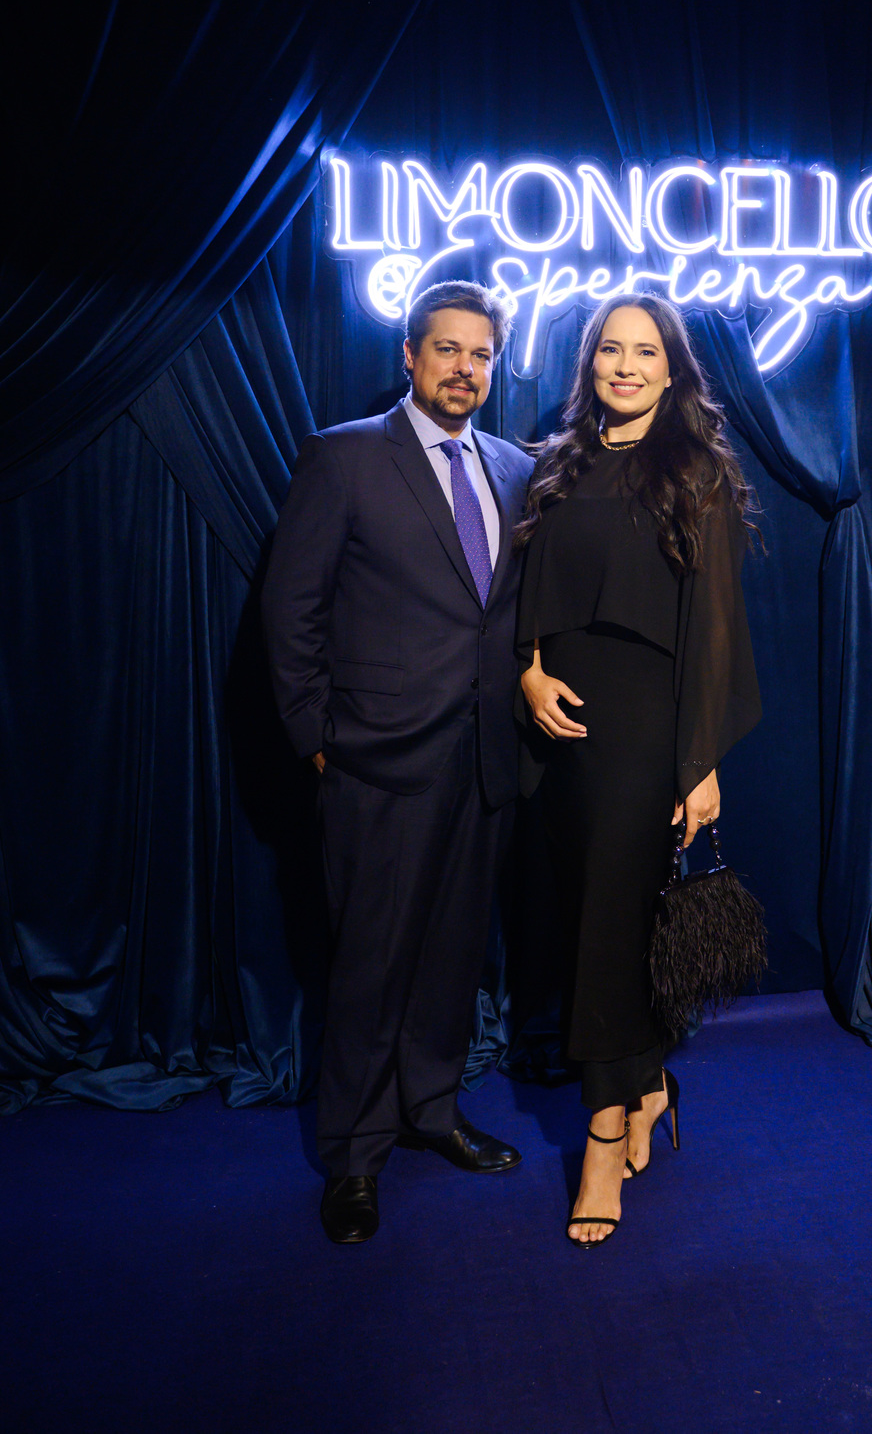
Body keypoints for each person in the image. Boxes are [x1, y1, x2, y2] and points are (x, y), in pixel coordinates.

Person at [261, 279, 534, 1244]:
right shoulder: (344, 456)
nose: (465, 368)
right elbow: (291, 609)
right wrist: (318, 739)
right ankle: (354, 1155)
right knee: (371, 964)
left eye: (481, 354)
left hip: (484, 761)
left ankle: (431, 1109)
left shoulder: (514, 467)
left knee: (454, 957)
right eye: (447, 349)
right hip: (376, 763)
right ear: (409, 356)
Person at [516, 293, 761, 1246]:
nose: (625, 366)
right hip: (559, 726)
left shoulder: (695, 470)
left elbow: (715, 626)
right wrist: (529, 672)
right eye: (611, 350)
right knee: (590, 919)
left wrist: (699, 761)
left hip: (647, 726)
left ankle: (604, 1131)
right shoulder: (557, 463)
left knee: (610, 927)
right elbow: (525, 595)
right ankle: (651, 1081)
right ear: (590, 365)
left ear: (672, 368)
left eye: (645, 352)